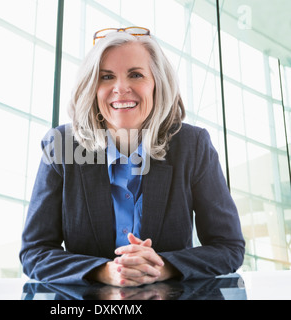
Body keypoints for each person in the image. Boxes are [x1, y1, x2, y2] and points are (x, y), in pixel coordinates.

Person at [19, 27, 245, 287]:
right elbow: (34, 253)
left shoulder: (193, 145)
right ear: (92, 89)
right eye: (106, 77)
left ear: (157, 85)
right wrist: (106, 271)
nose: (121, 88)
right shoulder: (61, 146)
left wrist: (162, 267)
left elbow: (228, 247)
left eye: (136, 74)